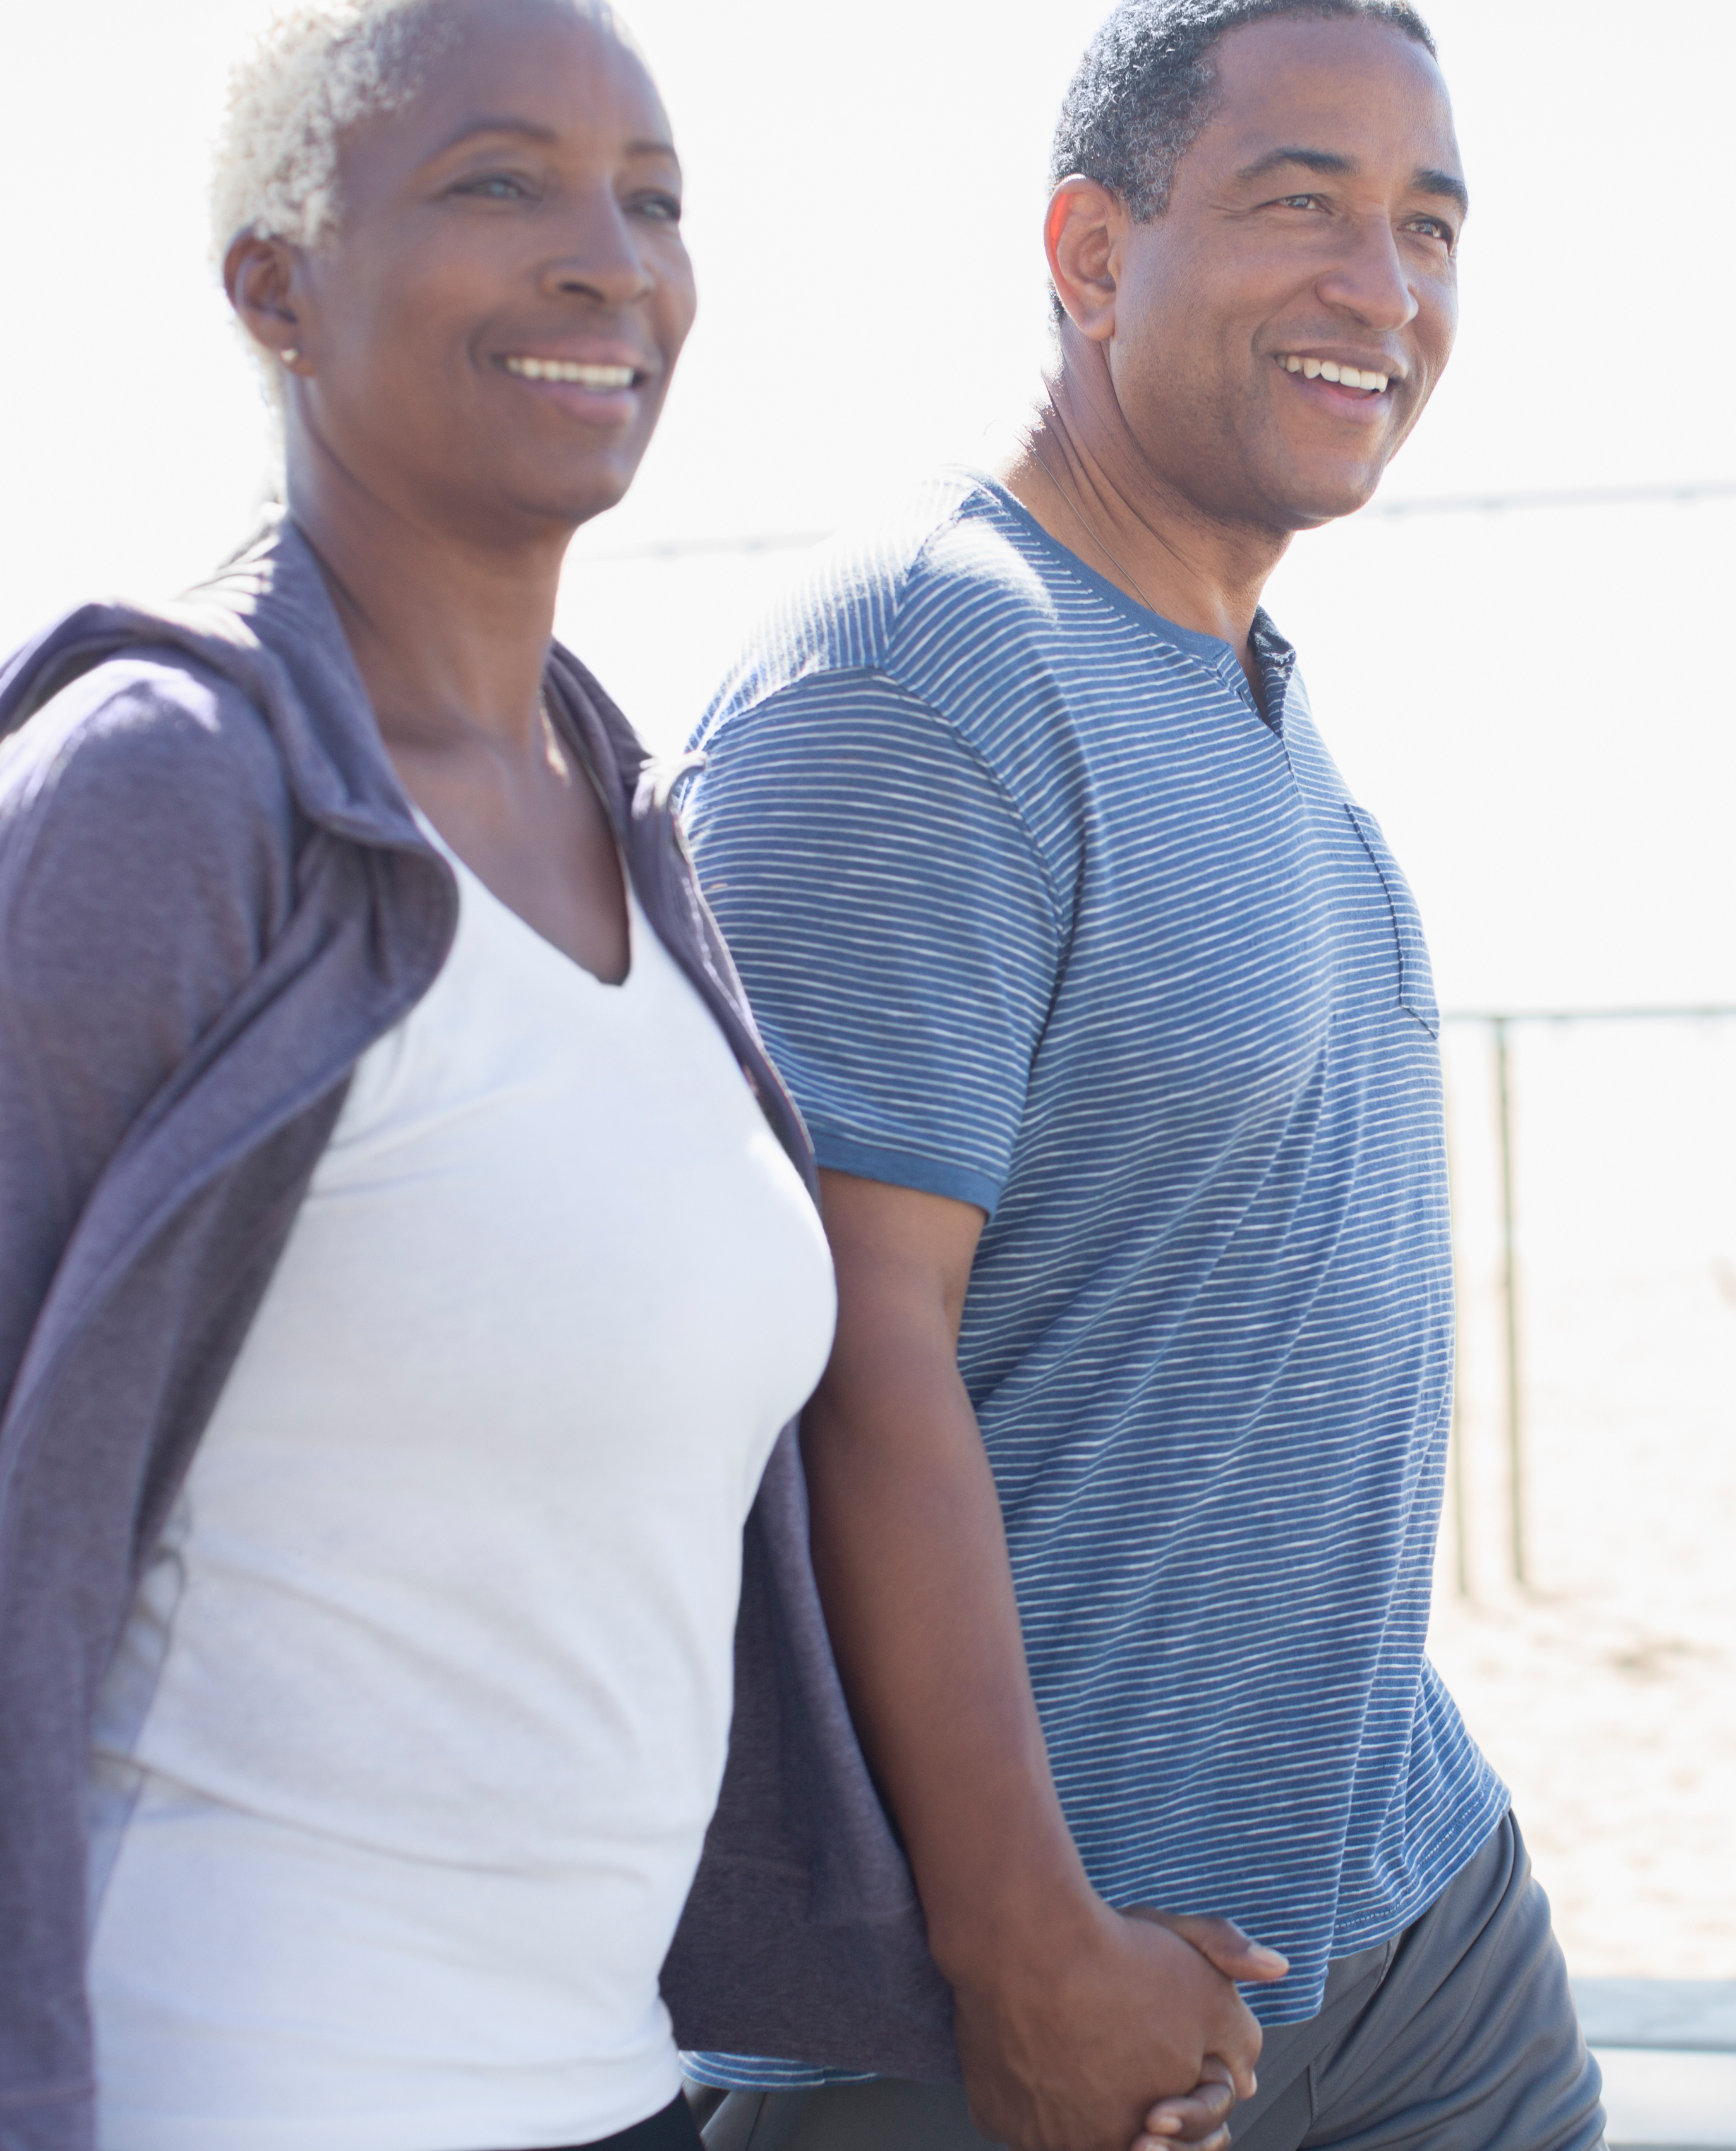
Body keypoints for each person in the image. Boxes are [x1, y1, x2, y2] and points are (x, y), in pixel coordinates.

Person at [0, 5, 1036, 2147]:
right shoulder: (159, 796)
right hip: (234, 2085)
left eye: (652, 198)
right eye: (500, 183)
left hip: (608, 2088)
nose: (607, 258)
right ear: (274, 282)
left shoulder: (628, 810)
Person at [677, 5, 1607, 2148]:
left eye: (1427, 227)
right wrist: (1023, 1952)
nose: (1381, 288)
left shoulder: (1249, 687)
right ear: (1089, 255)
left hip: (1408, 1917)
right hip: (1022, 2000)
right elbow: (837, 1351)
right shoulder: (926, 673)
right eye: (1302, 207)